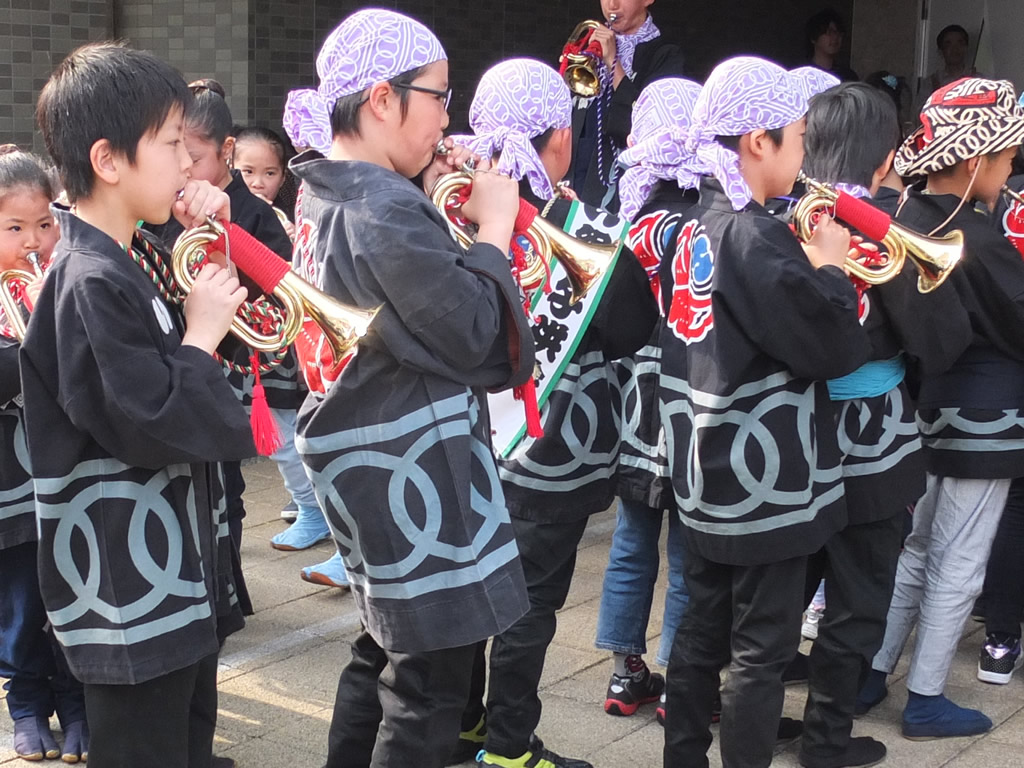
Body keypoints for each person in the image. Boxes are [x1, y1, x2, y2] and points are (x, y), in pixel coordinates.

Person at [282, 11, 535, 768]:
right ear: (382, 101)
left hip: (370, 459)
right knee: (428, 688)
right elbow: (479, 337)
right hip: (409, 468)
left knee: (385, 653)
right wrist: (493, 228)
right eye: (438, 96)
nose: (446, 119)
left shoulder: (333, 190)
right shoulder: (380, 206)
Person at [24, 41, 257, 767]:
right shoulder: (87, 279)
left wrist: (204, 310)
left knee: (184, 742)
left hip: (161, 583)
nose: (189, 163)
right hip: (129, 596)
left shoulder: (124, 258)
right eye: (169, 144)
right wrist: (200, 334)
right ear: (108, 159)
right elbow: (150, 421)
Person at [658, 56, 872, 768]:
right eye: (798, 135)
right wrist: (833, 266)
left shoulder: (696, 224)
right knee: (761, 654)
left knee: (698, 633)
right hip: (766, 483)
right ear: (757, 142)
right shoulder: (756, 237)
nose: (806, 149)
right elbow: (831, 345)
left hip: (705, 472)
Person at [447, 58, 657, 768]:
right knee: (530, 604)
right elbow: (630, 325)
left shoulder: (455, 207)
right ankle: (508, 750)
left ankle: (466, 722)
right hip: (553, 448)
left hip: (468, 435)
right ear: (559, 138)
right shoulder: (573, 223)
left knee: (477, 585)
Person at [795, 82, 972, 768]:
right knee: (859, 593)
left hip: (791, 432)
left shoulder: (782, 221)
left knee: (785, 582)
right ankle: (826, 739)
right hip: (873, 439)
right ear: (886, 157)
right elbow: (943, 340)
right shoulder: (883, 230)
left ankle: (750, 711)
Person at [857, 76, 1024, 741]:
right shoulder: (977, 238)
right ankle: (925, 696)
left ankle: (872, 670)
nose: (1014, 165)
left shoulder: (910, 216)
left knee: (919, 547)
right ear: (975, 157)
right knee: (962, 559)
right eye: (1008, 153)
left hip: (929, 409)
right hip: (989, 415)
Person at [594, 77, 701, 724]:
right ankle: (684, 679)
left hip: (635, 400)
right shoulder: (710, 203)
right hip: (692, 399)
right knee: (689, 547)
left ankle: (624, 672)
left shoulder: (626, 200)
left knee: (632, 538)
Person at [0, 146, 89, 763]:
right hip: (8, 481)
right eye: (13, 227)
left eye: (44, 224)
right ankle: (26, 705)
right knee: (19, 601)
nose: (33, 241)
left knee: (75, 592)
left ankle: (79, 701)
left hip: (67, 475)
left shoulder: (68, 280)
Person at [568, 0, 685, 211]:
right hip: (580, 164)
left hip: (626, 178)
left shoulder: (666, 54)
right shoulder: (589, 43)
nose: (612, 5)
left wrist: (614, 62)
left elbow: (652, 126)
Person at [233, 126, 297, 241]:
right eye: (248, 172)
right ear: (231, 169)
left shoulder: (284, 219)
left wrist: (293, 240)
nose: (258, 183)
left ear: (283, 177)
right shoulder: (221, 210)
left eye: (270, 174)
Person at [804, 9, 858, 82]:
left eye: (838, 32)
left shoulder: (848, 76)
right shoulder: (803, 74)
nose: (835, 37)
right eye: (829, 32)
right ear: (813, 38)